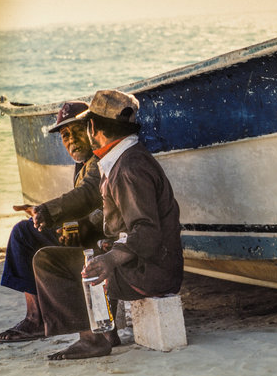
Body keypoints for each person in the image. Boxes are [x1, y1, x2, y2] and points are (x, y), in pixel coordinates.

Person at [33, 89, 183, 360]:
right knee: (90, 246)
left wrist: (110, 259)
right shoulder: (126, 159)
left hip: (151, 274)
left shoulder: (128, 168)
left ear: (92, 127)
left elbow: (146, 232)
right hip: (154, 266)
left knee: (49, 262)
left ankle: (94, 339)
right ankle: (106, 331)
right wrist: (107, 245)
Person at [0, 101, 104, 343]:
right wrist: (72, 224)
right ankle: (37, 316)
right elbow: (89, 206)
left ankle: (37, 319)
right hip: (92, 235)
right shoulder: (85, 164)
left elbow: (89, 195)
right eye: (65, 135)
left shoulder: (98, 161)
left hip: (102, 243)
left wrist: (46, 211)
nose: (72, 140)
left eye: (77, 131)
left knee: (23, 233)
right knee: (29, 230)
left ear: (91, 129)